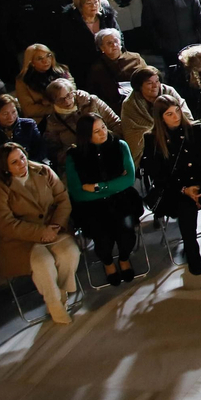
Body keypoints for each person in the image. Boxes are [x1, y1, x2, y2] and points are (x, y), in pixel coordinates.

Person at [0, 143, 80, 323]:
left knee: (70, 253)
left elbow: (62, 199)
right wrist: (40, 232)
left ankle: (62, 292)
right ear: (5, 167)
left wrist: (56, 226)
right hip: (20, 240)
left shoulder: (43, 171)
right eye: (14, 162)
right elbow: (6, 224)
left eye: (22, 157)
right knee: (44, 263)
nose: (21, 164)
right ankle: (54, 303)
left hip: (53, 229)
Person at [142, 96, 201, 274]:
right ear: (160, 117)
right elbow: (158, 175)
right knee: (186, 210)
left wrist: (196, 187)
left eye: (177, 110)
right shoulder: (152, 138)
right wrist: (184, 190)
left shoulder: (193, 130)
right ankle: (193, 256)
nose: (176, 116)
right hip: (173, 188)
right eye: (169, 114)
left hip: (200, 180)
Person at [64, 113, 142, 286]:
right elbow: (78, 192)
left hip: (121, 200)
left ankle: (124, 258)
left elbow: (129, 179)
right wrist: (114, 185)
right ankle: (107, 263)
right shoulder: (74, 156)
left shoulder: (119, 146)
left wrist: (98, 187)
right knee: (102, 238)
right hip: (92, 207)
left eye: (103, 127)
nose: (103, 133)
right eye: (96, 131)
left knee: (127, 234)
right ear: (86, 136)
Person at [0, 93, 45, 172]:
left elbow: (41, 151)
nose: (11, 117)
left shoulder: (28, 125)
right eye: (5, 114)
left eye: (13, 112)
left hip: (31, 168)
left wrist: (25, 165)